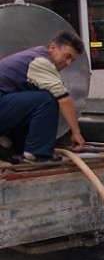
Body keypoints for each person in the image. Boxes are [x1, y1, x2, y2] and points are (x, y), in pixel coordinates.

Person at [0, 30, 85, 162]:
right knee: (46, 100)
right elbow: (64, 99)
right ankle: (35, 153)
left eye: (72, 60)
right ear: (53, 48)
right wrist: (76, 133)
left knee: (34, 101)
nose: (68, 63)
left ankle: (19, 150)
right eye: (67, 56)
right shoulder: (41, 62)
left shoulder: (35, 56)